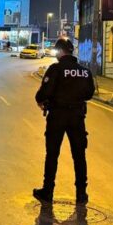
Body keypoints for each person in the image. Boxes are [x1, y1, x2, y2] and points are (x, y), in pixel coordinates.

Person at [33, 38, 95, 205]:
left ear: (60, 52)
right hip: (77, 117)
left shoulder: (56, 69)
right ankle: (81, 194)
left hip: (58, 116)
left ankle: (48, 191)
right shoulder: (85, 71)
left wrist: (42, 99)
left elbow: (44, 92)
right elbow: (90, 93)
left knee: (52, 154)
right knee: (79, 156)